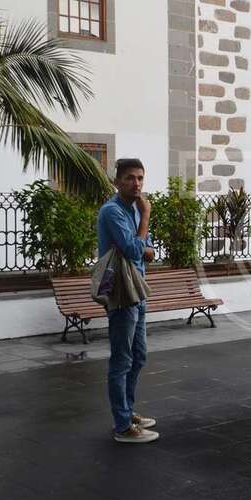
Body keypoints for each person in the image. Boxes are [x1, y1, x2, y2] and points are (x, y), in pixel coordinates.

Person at [97, 158, 158, 443]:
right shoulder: (112, 211)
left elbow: (146, 247)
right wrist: (145, 218)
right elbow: (136, 248)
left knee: (138, 356)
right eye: (131, 178)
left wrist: (145, 245)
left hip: (137, 289)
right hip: (122, 291)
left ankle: (127, 410)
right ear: (117, 181)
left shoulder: (132, 208)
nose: (137, 184)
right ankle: (122, 426)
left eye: (140, 178)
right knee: (121, 359)